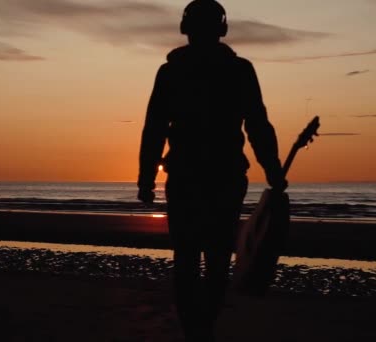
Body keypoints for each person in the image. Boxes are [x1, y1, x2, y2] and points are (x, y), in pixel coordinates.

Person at [137, 0, 287, 340]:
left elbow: (154, 129)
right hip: (224, 177)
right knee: (216, 257)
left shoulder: (172, 72)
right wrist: (272, 168)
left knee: (188, 256)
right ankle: (203, 327)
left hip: (190, 177)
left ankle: (195, 329)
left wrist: (147, 178)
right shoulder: (239, 71)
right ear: (223, 29)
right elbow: (258, 125)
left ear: (185, 29)